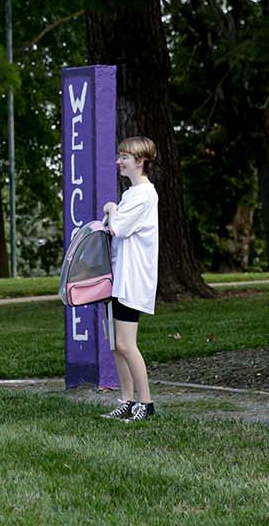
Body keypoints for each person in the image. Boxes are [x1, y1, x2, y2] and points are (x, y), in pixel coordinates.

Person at [100, 136, 160, 422]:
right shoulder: (131, 194)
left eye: (124, 156)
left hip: (132, 279)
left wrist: (111, 209)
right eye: (119, 155)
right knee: (115, 343)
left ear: (141, 160)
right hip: (118, 276)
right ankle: (127, 400)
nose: (119, 161)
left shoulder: (146, 194)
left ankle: (145, 403)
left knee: (126, 343)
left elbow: (119, 229)